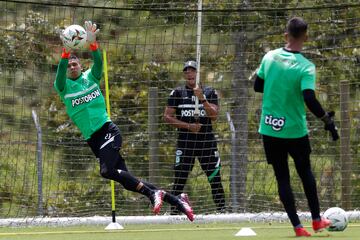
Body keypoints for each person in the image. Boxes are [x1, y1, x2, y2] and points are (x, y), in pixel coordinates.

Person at [54, 21, 194, 221]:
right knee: (128, 181)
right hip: (93, 139)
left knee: (106, 170)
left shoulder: (90, 78)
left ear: (80, 65)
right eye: (69, 66)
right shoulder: (64, 87)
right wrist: (65, 53)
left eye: (75, 63)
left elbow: (99, 63)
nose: (72, 67)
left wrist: (93, 45)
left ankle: (152, 194)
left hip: (107, 130)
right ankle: (179, 201)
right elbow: (59, 74)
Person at [254, 17, 339, 237]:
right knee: (305, 173)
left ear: (286, 35)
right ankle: (317, 220)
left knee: (282, 177)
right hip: (294, 130)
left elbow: (257, 85)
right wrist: (327, 121)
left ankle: (297, 227)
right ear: (306, 37)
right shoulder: (306, 67)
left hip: (270, 129)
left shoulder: (269, 57)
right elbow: (309, 98)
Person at [163, 60, 225, 214]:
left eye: (192, 70)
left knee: (214, 177)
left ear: (198, 73)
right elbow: (167, 117)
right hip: (185, 143)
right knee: (179, 179)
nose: (189, 73)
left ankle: (223, 210)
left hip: (206, 142)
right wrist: (189, 126)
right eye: (186, 71)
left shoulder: (210, 92)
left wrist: (202, 98)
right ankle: (174, 212)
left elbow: (214, 115)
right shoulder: (177, 93)